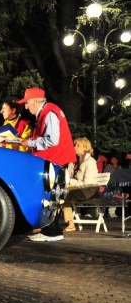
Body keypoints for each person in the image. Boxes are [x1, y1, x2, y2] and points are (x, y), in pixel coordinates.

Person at [17, 87, 76, 242]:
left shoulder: (49, 113)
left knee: (49, 195)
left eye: (27, 102)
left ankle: (51, 232)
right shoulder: (49, 111)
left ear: (36, 101)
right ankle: (51, 231)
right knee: (51, 196)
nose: (26, 106)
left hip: (56, 159)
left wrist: (29, 142)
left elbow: (52, 140)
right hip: (57, 159)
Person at [62, 138, 99, 232]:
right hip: (77, 189)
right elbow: (69, 177)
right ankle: (51, 222)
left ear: (85, 148)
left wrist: (71, 181)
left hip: (89, 190)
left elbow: (87, 183)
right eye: (75, 145)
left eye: (78, 146)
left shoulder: (90, 162)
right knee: (58, 193)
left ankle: (70, 224)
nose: (74, 147)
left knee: (64, 195)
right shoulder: (75, 161)